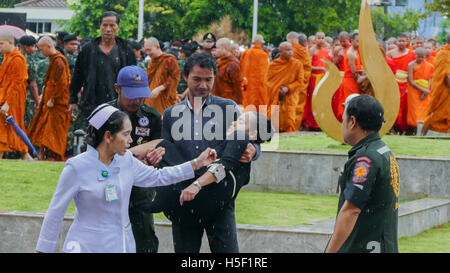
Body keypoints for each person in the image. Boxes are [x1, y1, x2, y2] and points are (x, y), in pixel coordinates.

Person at [35, 103, 217, 253]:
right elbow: (55, 213)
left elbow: (159, 176)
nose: (131, 141)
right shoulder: (76, 167)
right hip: (86, 246)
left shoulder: (126, 161)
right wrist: (43, 250)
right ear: (108, 136)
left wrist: (196, 163)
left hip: (123, 246)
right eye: (126, 134)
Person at [157, 52, 261, 253]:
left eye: (208, 79)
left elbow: (253, 141)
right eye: (197, 79)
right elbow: (166, 155)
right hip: (185, 199)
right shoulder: (171, 115)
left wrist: (253, 151)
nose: (203, 85)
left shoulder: (228, 107)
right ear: (186, 77)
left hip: (220, 197)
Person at [325, 94, 400, 253]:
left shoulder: (366, 159)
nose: (341, 123)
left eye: (343, 118)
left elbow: (352, 209)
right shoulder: (383, 151)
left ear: (352, 122)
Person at [107, 65, 163, 253]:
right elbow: (92, 154)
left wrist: (155, 156)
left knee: (145, 239)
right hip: (110, 187)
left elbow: (162, 145)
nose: (136, 100)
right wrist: (132, 156)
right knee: (109, 238)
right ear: (117, 89)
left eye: (141, 95)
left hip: (141, 191)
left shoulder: (152, 118)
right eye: (131, 95)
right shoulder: (104, 115)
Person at [69, 11, 137, 128]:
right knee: (93, 140)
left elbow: (133, 79)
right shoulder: (88, 50)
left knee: (117, 139)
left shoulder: (125, 50)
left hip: (118, 105)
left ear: (118, 27)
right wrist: (73, 99)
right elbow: (77, 76)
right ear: (100, 26)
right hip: (92, 104)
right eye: (105, 25)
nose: (108, 29)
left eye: (112, 25)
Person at [27, 36, 71, 161]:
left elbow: (62, 83)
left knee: (52, 131)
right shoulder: (53, 59)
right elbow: (51, 81)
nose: (40, 52)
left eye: (41, 49)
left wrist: (53, 98)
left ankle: (54, 156)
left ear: (49, 46)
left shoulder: (59, 60)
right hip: (49, 100)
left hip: (56, 103)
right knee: (44, 128)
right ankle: (44, 155)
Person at [0, 31, 33, 160]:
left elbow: (17, 84)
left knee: (12, 126)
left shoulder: (18, 59)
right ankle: (25, 155)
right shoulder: (7, 57)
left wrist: (8, 103)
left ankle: (25, 154)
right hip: (4, 97)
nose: (0, 47)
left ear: (11, 43)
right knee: (5, 129)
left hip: (12, 100)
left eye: (1, 44)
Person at [265, 42, 304, 132]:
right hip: (276, 97)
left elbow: (300, 80)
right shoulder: (273, 65)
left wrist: (288, 88)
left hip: (290, 96)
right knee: (275, 118)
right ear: (281, 51)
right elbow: (267, 81)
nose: (290, 52)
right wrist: (277, 89)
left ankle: (290, 139)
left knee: (290, 119)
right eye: (287, 50)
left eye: (291, 50)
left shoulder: (297, 64)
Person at [143, 37, 180, 115]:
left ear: (157, 47)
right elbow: (148, 79)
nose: (147, 53)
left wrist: (161, 88)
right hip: (151, 99)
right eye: (146, 50)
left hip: (164, 99)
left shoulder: (169, 59)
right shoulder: (151, 62)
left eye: (149, 50)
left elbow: (175, 78)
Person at [387, 33, 416, 134]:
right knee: (394, 105)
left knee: (404, 106)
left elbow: (413, 70)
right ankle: (392, 127)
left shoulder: (412, 53)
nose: (401, 43)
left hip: (406, 83)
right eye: (399, 41)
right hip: (393, 82)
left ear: (407, 42)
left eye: (403, 41)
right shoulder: (390, 53)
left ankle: (403, 128)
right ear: (396, 42)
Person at [422, 34, 450, 135]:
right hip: (442, 90)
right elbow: (446, 75)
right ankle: (422, 135)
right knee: (434, 114)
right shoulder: (444, 53)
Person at [302, 31, 330, 131]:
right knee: (313, 101)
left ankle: (320, 123)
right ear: (315, 39)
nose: (321, 40)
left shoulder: (326, 51)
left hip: (324, 79)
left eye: (323, 38)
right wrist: (321, 69)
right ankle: (311, 123)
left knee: (322, 101)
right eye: (319, 38)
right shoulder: (312, 50)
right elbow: (308, 66)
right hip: (314, 78)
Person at [335, 32, 363, 122]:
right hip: (350, 81)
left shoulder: (355, 51)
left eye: (360, 41)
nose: (359, 43)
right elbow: (354, 73)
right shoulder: (351, 53)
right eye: (357, 41)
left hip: (353, 80)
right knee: (351, 103)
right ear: (352, 41)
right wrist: (364, 77)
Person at [406, 47, 434, 134]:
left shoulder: (430, 66)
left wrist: (426, 91)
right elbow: (411, 81)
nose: (421, 59)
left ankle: (423, 133)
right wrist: (423, 90)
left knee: (425, 112)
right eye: (419, 57)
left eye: (423, 57)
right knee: (414, 112)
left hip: (426, 91)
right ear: (415, 55)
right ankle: (416, 132)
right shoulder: (411, 65)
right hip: (414, 91)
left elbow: (430, 79)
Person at [287, 32, 311, 130]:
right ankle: (295, 126)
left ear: (291, 39)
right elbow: (308, 67)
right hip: (302, 81)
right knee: (299, 105)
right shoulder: (304, 51)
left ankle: (290, 127)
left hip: (292, 82)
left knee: (291, 105)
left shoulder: (291, 50)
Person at [240, 34, 269, 109]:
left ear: (253, 43)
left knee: (248, 109)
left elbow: (241, 69)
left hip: (247, 86)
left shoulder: (245, 53)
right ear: (262, 44)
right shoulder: (264, 55)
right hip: (260, 89)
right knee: (260, 111)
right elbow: (265, 74)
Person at [212, 37, 243, 105]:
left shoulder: (233, 64)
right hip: (216, 101)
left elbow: (237, 87)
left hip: (228, 103)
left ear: (225, 48)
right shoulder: (219, 62)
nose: (216, 50)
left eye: (218, 48)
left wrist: (239, 104)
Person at [18, 35, 40, 128]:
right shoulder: (29, 61)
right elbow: (32, 84)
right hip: (27, 97)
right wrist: (37, 100)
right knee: (28, 123)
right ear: (26, 47)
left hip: (15, 95)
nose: (35, 49)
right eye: (33, 46)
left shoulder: (13, 57)